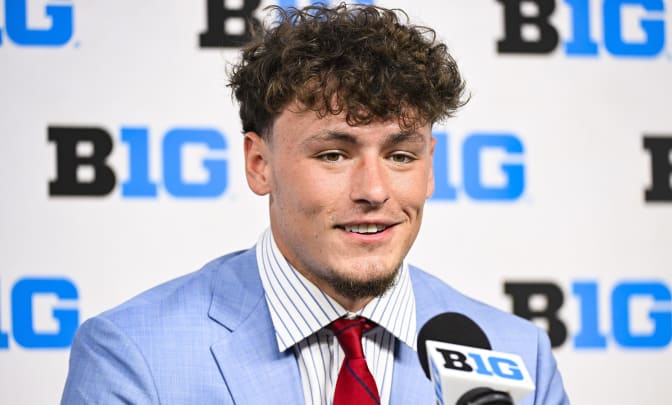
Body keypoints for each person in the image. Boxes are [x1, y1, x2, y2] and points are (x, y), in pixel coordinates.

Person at [61, 4, 569, 404]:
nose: (374, 190)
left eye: (399, 155)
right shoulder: (133, 355)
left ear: (430, 165)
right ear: (260, 163)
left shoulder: (515, 354)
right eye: (333, 154)